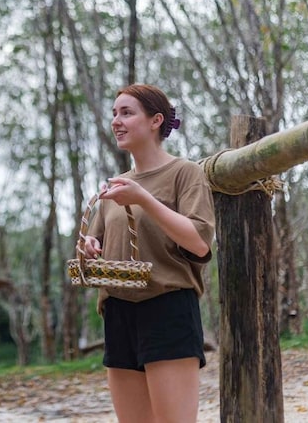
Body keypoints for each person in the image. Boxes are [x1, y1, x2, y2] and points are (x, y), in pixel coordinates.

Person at [80, 84, 215, 423]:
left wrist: (144, 199)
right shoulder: (116, 187)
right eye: (114, 114)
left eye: (126, 113)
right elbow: (91, 251)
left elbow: (199, 242)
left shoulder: (185, 173)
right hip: (118, 311)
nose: (117, 121)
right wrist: (89, 249)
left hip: (167, 308)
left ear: (156, 121)